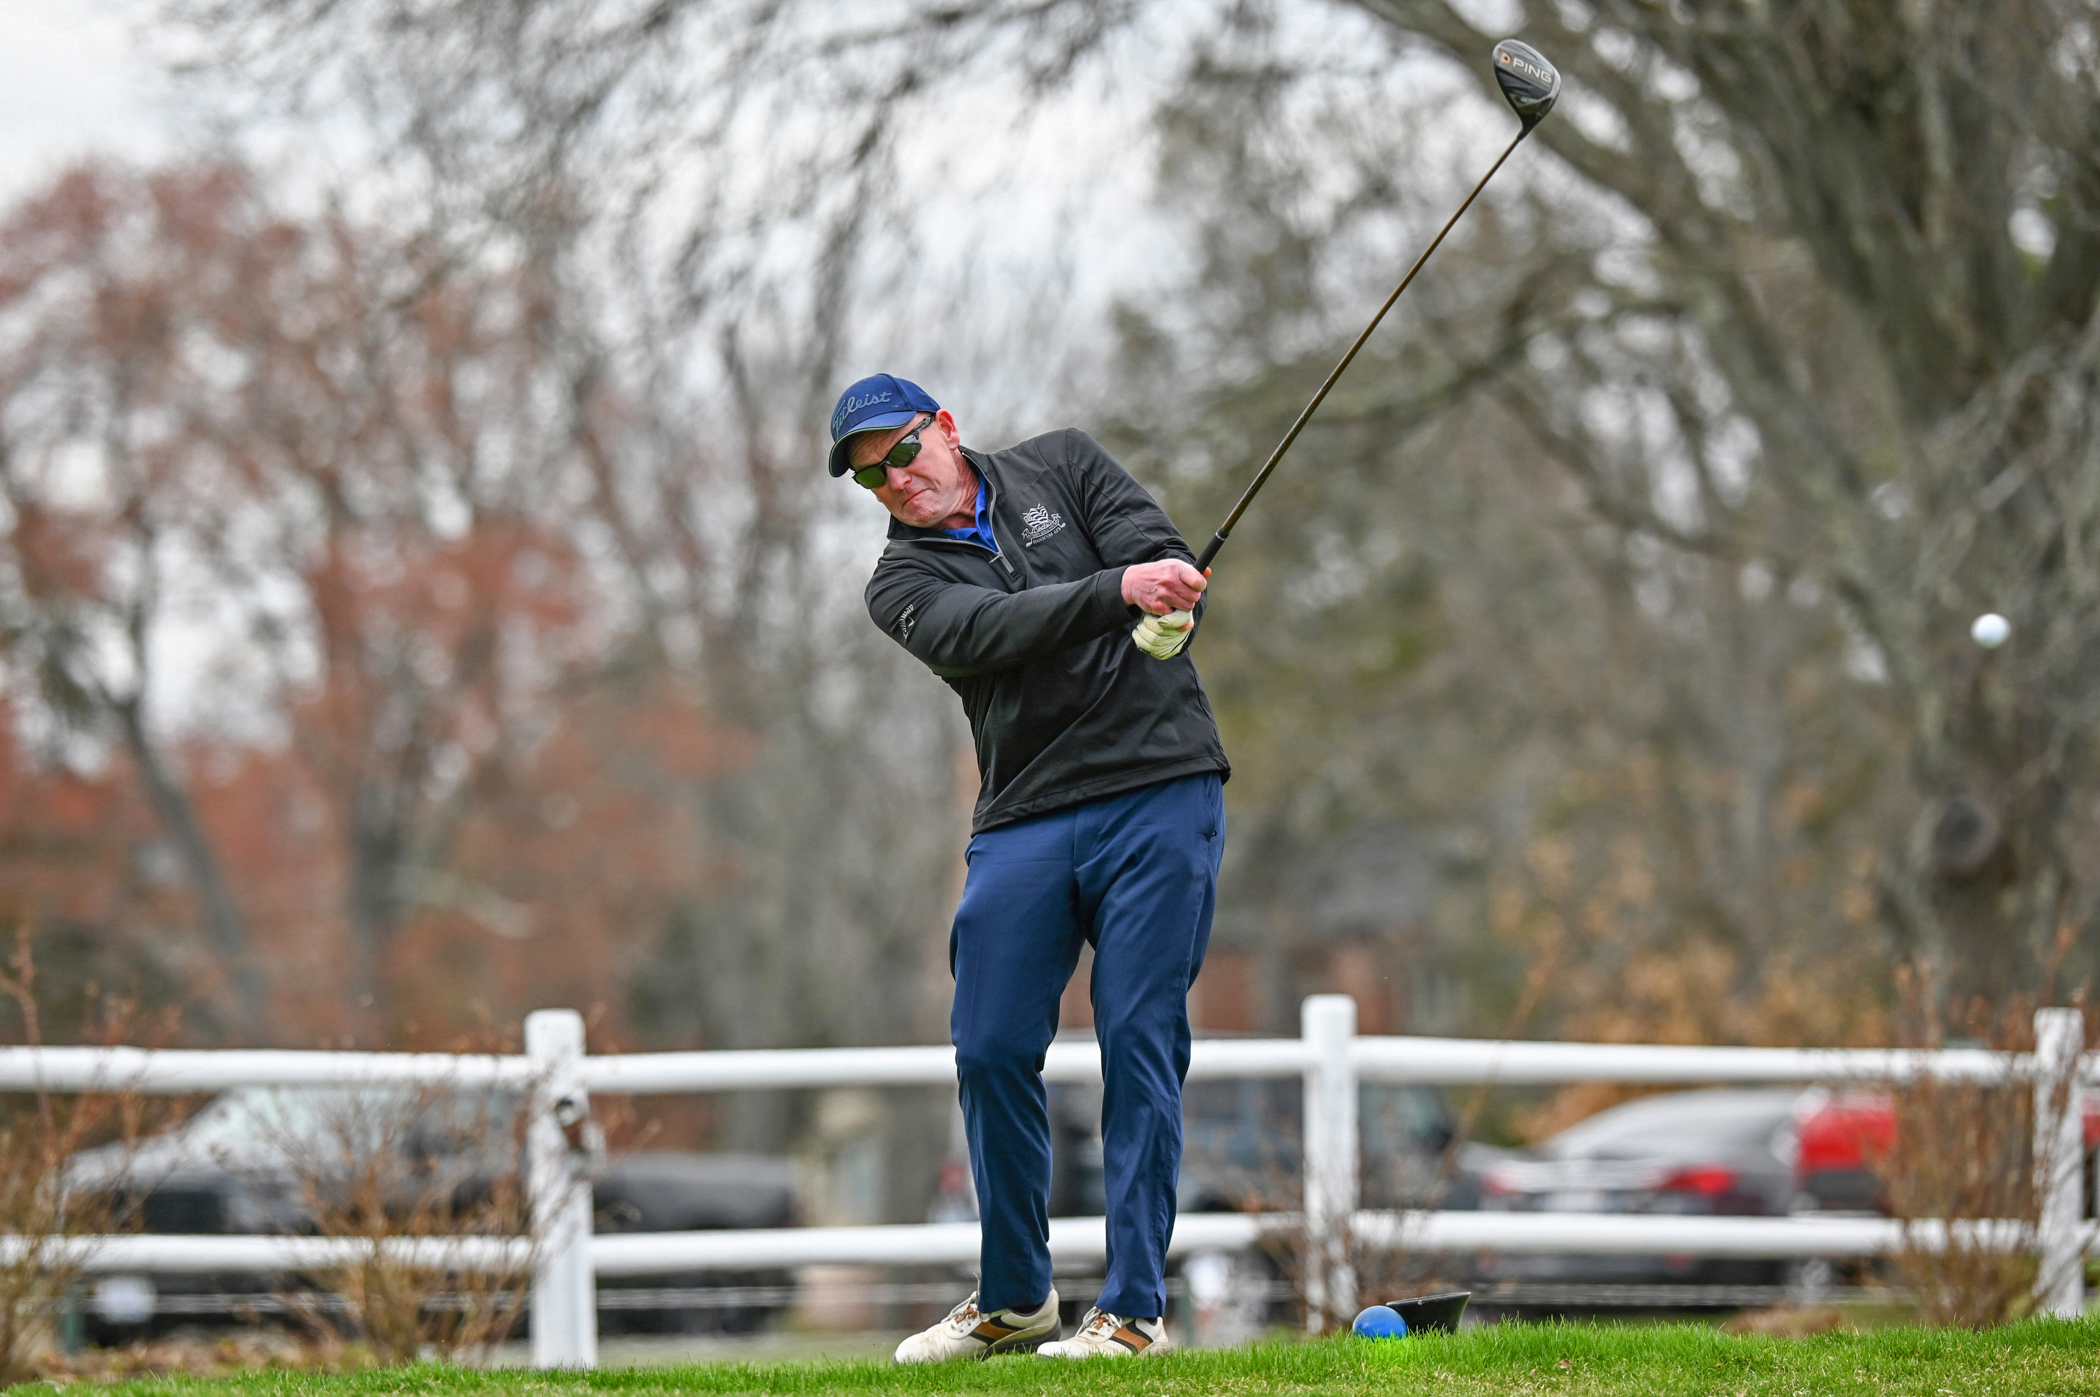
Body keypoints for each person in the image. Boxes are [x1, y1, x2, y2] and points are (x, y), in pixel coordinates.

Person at [829, 373, 1229, 1361]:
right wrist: (1117, 591)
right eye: (871, 475)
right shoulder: (899, 586)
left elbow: (1157, 553)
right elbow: (987, 634)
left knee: (1140, 1034)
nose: (895, 479)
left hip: (1159, 784)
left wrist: (1171, 595)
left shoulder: (1066, 463)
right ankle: (1015, 1297)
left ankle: (1133, 1310)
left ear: (945, 427)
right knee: (992, 1043)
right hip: (1026, 813)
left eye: (902, 451)